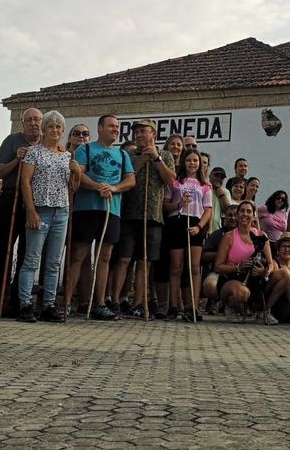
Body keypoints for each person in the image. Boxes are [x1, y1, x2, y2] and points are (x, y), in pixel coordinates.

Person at [63, 114, 134, 320]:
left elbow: (130, 180)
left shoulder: (122, 154)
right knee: (78, 255)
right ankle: (67, 303)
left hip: (112, 210)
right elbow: (78, 174)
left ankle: (100, 304)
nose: (115, 129)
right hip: (86, 209)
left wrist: (113, 187)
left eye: (117, 127)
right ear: (101, 128)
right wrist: (97, 187)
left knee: (105, 257)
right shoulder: (85, 149)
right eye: (111, 126)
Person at [0, 107, 41, 319]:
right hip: (11, 197)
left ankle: (18, 303)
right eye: (29, 120)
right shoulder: (12, 140)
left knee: (27, 254)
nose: (33, 123)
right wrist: (16, 159)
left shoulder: (46, 144)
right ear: (23, 123)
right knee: (1, 250)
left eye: (37, 120)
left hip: (35, 201)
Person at [14, 111, 73, 323]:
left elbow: (72, 186)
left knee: (54, 262)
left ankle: (49, 304)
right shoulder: (34, 152)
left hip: (62, 211)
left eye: (58, 127)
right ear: (44, 129)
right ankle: (25, 304)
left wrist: (76, 173)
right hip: (40, 209)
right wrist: (30, 210)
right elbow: (25, 181)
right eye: (50, 127)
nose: (55, 131)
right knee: (31, 259)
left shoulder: (67, 156)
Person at [114, 119, 176, 319]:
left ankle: (139, 303)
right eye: (137, 132)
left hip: (153, 216)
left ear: (153, 134)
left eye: (143, 131)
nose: (139, 135)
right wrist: (142, 158)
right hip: (129, 214)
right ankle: (115, 300)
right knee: (124, 259)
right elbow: (127, 176)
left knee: (145, 262)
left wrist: (156, 158)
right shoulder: (128, 154)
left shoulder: (165, 155)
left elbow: (170, 180)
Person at [164, 148, 212, 321]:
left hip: (195, 223)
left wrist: (199, 227)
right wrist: (179, 204)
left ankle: (193, 306)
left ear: (200, 164)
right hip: (177, 221)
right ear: (184, 162)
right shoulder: (176, 182)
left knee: (194, 267)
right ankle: (173, 305)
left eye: (195, 160)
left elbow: (207, 210)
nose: (192, 163)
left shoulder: (205, 185)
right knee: (176, 266)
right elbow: (166, 204)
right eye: (189, 160)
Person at [211, 202, 273, 322]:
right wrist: (238, 267)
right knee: (242, 293)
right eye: (242, 211)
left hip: (255, 279)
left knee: (283, 275)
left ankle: (263, 311)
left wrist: (265, 272)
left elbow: (271, 264)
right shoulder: (229, 237)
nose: (245, 214)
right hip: (231, 279)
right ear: (238, 215)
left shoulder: (261, 236)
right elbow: (218, 267)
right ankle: (230, 306)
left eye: (249, 211)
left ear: (254, 216)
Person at [263, 233, 290, 325]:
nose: (286, 249)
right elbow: (283, 274)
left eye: (289, 247)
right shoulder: (274, 263)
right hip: (277, 307)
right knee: (287, 281)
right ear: (278, 250)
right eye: (283, 246)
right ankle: (266, 312)